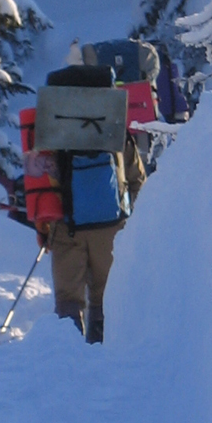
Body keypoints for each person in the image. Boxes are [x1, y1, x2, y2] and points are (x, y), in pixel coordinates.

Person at [40, 131, 145, 345]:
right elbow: (138, 180)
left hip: (67, 229)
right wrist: (123, 214)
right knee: (104, 298)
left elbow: (41, 185)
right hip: (111, 229)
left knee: (68, 301)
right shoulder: (114, 128)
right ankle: (101, 353)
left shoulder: (55, 128)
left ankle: (67, 358)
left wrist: (45, 227)